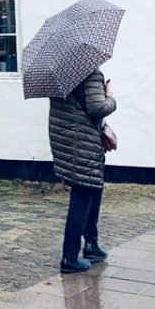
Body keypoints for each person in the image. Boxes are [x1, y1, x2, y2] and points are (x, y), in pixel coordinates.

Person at [49, 70, 117, 273]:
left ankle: (91, 245)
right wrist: (110, 97)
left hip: (67, 140)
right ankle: (69, 258)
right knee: (83, 193)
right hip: (82, 141)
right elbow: (97, 108)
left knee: (93, 187)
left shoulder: (58, 73)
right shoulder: (90, 73)